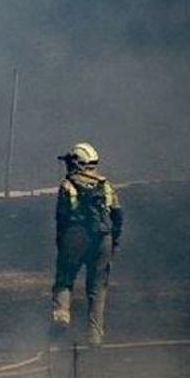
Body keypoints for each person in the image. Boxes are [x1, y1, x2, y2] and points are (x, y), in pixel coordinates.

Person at [50, 142, 124, 345]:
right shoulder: (105, 185)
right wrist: (113, 241)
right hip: (103, 238)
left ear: (76, 163)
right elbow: (117, 215)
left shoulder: (67, 185)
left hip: (75, 237)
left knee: (64, 279)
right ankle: (95, 335)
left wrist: (62, 244)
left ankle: (62, 315)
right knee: (98, 288)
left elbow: (61, 217)